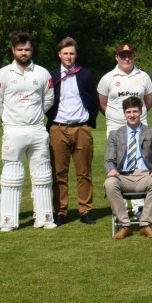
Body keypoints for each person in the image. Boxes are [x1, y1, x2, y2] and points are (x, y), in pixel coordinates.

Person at [0, 31, 55, 231]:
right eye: (20, 49)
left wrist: (34, 117)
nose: (24, 53)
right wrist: (10, 121)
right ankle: (8, 221)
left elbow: (48, 100)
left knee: (43, 174)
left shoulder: (42, 73)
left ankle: (44, 218)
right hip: (13, 131)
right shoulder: (3, 74)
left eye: (27, 49)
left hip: (37, 129)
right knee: (11, 176)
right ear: (13, 50)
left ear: (32, 50)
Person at [46, 36, 100, 226]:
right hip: (58, 128)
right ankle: (61, 211)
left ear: (76, 55)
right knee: (59, 173)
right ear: (59, 54)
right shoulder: (51, 76)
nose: (69, 57)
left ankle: (85, 210)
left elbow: (93, 99)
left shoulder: (85, 75)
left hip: (81, 128)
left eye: (72, 53)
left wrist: (88, 119)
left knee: (84, 172)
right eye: (65, 53)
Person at [103, 96, 152, 239]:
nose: (132, 115)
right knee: (109, 183)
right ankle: (125, 225)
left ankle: (145, 225)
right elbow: (109, 159)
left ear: (141, 112)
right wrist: (111, 169)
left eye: (135, 111)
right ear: (124, 113)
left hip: (145, 175)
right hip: (123, 176)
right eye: (128, 112)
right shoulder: (115, 134)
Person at [98, 42, 152, 136]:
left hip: (140, 125)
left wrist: (135, 116)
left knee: (142, 151)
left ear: (133, 56)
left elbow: (148, 102)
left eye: (130, 56)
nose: (127, 59)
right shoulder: (107, 78)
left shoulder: (143, 76)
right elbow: (102, 104)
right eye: (123, 56)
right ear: (116, 57)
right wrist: (116, 116)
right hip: (115, 127)